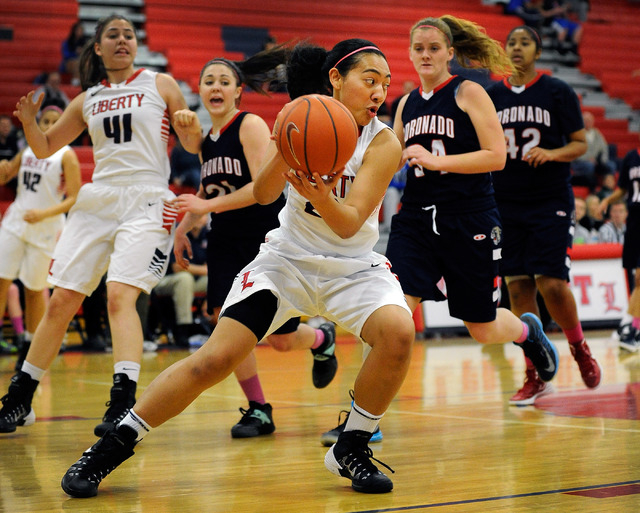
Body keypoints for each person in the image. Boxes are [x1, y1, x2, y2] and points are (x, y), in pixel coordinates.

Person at [60, 38, 415, 498]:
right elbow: (265, 194)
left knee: (399, 333)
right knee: (214, 359)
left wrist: (321, 193)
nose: (378, 92)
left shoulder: (383, 141)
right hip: (286, 260)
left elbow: (349, 225)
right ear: (335, 79)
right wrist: (288, 144)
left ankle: (351, 445)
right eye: (369, 80)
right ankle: (112, 446)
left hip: (353, 265)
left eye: (384, 84)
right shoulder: (302, 117)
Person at [0, 14, 201, 436]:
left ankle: (123, 403)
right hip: (99, 199)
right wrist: (30, 123)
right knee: (59, 302)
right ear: (98, 47)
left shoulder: (160, 83)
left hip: (147, 198)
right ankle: (20, 398)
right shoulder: (87, 98)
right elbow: (46, 147)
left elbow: (192, 144)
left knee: (118, 297)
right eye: (113, 35)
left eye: (129, 34)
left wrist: (188, 125)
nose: (123, 40)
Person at [386, 17, 561, 404]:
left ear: (450, 52)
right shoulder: (405, 104)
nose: (426, 54)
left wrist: (436, 162)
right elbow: (392, 159)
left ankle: (528, 334)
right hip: (415, 219)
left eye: (434, 48)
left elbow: (496, 156)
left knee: (481, 327)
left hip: (469, 218)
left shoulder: (468, 92)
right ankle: (364, 418)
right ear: (410, 54)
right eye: (419, 48)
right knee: (391, 312)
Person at [169, 53, 338, 438]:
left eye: (224, 81)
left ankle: (319, 337)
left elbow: (262, 190)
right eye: (208, 80)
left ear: (238, 92)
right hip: (225, 237)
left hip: (261, 235)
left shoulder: (250, 125)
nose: (216, 86)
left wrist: (206, 205)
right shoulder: (207, 142)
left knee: (278, 339)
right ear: (199, 90)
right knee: (227, 324)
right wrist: (185, 226)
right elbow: (209, 190)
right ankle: (259, 409)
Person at [486, 25, 600, 405]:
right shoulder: (493, 95)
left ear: (537, 50)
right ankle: (533, 373)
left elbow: (580, 144)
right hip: (505, 201)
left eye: (524, 42)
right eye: (511, 42)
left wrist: (551, 154)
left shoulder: (557, 91)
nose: (517, 48)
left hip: (549, 197)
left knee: (551, 283)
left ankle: (579, 348)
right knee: (518, 287)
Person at [0, 105, 81, 370]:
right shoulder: (27, 150)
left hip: (46, 227)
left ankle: (28, 344)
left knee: (35, 290)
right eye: (45, 121)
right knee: (1, 280)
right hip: (16, 221)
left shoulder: (66, 156)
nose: (48, 126)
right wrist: (3, 167)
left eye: (55, 122)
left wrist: (44, 213)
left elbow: (74, 197)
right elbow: (6, 175)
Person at [598, 146, 640, 351]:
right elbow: (623, 189)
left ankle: (630, 326)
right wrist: (607, 199)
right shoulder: (631, 156)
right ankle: (633, 327)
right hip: (634, 222)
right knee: (635, 277)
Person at [150, 213, 208, 348]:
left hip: (193, 281)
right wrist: (204, 270)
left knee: (217, 279)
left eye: (203, 215)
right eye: (197, 215)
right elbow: (177, 267)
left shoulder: (207, 235)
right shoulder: (178, 232)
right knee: (184, 278)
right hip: (164, 280)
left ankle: (215, 324)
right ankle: (183, 329)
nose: (200, 218)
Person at [571, 111, 616, 190]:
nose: (588, 122)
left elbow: (604, 148)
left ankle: (608, 189)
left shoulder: (597, 133)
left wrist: (602, 160)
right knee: (589, 166)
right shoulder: (577, 133)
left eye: (590, 120)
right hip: (580, 162)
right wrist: (588, 159)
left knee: (611, 165)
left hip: (596, 161)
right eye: (586, 120)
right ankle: (592, 188)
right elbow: (574, 151)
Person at [59, 21, 90, 86]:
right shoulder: (67, 42)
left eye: (81, 30)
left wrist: (82, 52)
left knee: (86, 63)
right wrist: (75, 53)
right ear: (74, 31)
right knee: (76, 63)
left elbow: (88, 54)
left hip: (81, 61)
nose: (80, 32)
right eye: (78, 30)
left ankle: (86, 81)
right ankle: (75, 81)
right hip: (68, 63)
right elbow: (66, 55)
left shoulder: (85, 42)